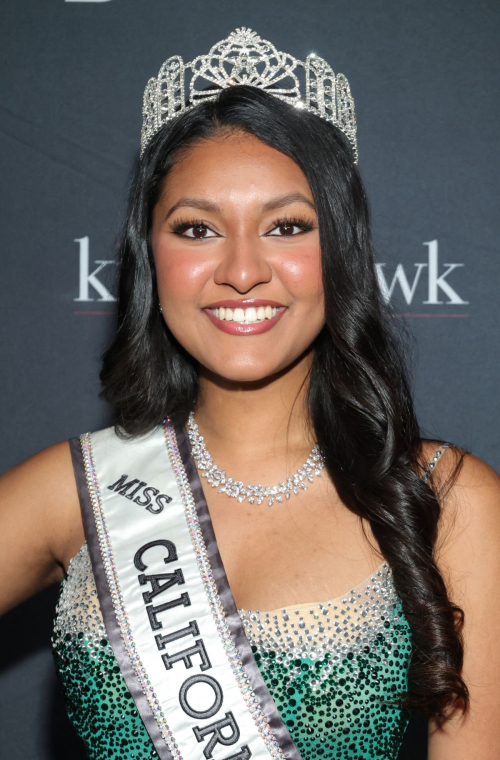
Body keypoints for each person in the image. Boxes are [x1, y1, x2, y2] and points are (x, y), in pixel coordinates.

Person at [1, 27, 499, 760]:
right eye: (197, 228)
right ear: (148, 256)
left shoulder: (450, 502)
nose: (241, 270)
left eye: (288, 226)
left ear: (341, 250)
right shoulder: (72, 490)